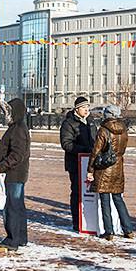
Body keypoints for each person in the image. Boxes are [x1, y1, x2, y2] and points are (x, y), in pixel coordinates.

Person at [87, 105, 134, 240]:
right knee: (118, 199)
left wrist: (90, 169)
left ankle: (109, 231)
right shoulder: (124, 130)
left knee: (105, 200)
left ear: (107, 115)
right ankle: (128, 229)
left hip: (104, 169)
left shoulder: (104, 130)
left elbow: (96, 152)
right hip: (118, 166)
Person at [0, 98, 30, 251]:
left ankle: (12, 239)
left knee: (12, 207)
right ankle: (20, 238)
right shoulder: (16, 128)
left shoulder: (18, 129)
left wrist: (1, 167)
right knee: (17, 206)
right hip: (16, 174)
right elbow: (10, 148)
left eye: (8, 112)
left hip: (14, 174)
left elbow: (17, 154)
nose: (6, 114)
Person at [60, 96, 97, 232]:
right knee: (76, 192)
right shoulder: (68, 123)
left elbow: (96, 138)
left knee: (90, 192)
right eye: (83, 107)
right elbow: (66, 144)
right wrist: (84, 150)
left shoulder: (91, 121)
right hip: (75, 163)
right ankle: (77, 221)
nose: (87, 110)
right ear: (77, 109)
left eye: (88, 107)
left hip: (90, 163)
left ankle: (89, 221)